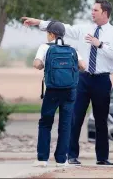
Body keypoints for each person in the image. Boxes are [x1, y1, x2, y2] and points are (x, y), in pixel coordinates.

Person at [22, 0, 113, 166]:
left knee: (101, 120)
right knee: (75, 118)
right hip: (82, 79)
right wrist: (38, 22)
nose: (92, 12)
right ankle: (71, 156)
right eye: (92, 9)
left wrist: (100, 45)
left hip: (102, 80)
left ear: (105, 13)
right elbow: (63, 28)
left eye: (95, 10)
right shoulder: (84, 29)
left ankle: (102, 158)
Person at [31, 21, 83, 167]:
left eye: (47, 33)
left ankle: (42, 159)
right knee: (65, 124)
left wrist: (44, 65)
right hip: (69, 91)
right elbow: (83, 66)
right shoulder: (71, 49)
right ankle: (61, 160)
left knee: (46, 123)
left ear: (51, 34)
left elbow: (36, 64)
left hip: (53, 90)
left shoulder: (45, 47)